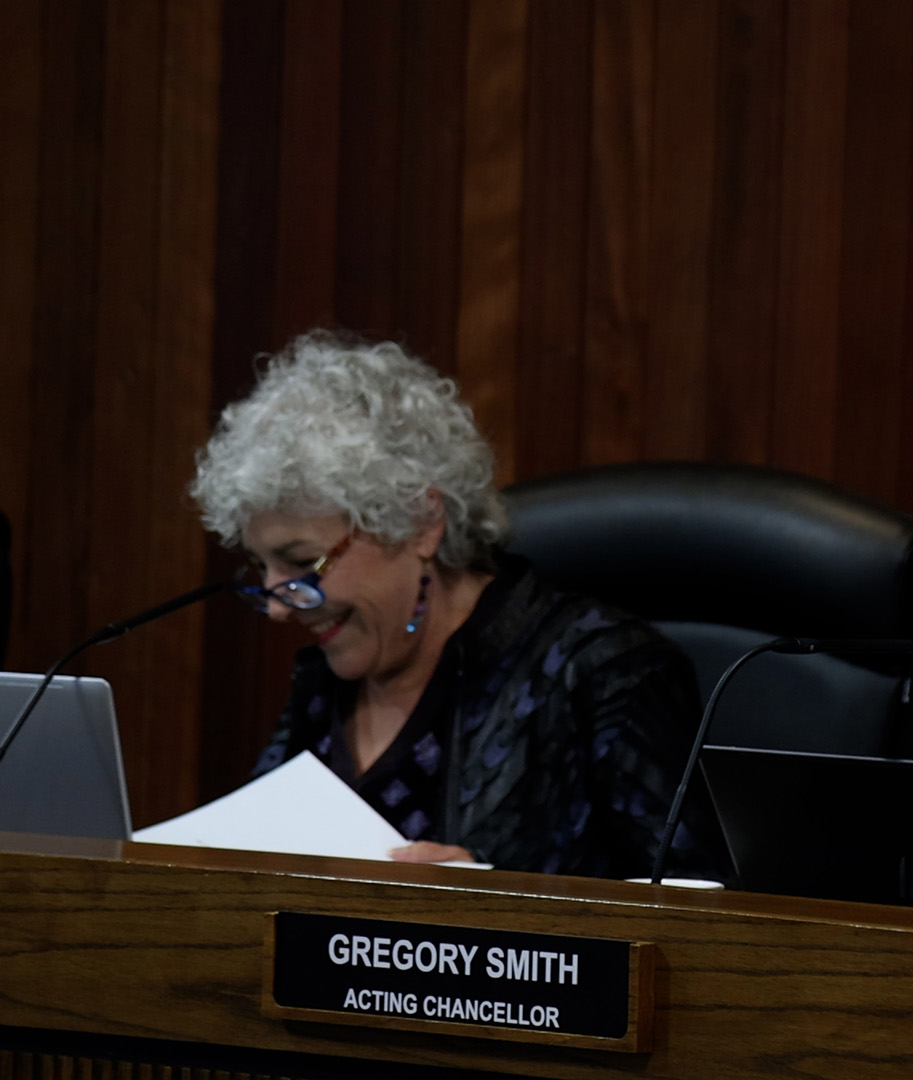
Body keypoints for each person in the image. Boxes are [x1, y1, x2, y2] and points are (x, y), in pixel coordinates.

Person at [190, 331, 720, 880]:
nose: (279, 607)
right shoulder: (324, 686)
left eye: (303, 562)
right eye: (261, 568)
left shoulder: (602, 674)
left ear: (421, 523)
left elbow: (692, 903)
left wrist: (494, 895)